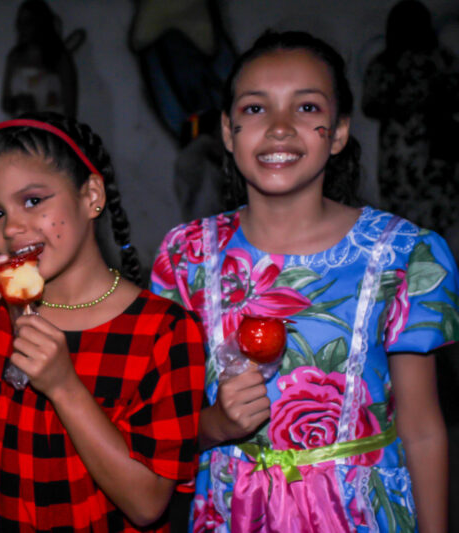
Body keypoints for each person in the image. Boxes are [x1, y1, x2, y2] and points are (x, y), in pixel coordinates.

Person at [151, 31, 459, 532]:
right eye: (254, 110)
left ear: (338, 132)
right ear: (227, 132)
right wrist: (216, 426)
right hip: (231, 517)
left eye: (307, 107)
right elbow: (163, 426)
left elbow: (422, 430)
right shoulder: (186, 257)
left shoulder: (402, 255)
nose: (278, 128)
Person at [0, 112, 205, 531]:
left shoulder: (164, 331)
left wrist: (64, 386)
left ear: (91, 196)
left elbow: (147, 504)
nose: (12, 227)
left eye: (33, 201)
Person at [362, 0, 459, 236]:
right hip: (412, 157)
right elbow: (370, 106)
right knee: (422, 222)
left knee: (415, 220)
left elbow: (370, 105)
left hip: (426, 152)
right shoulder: (439, 59)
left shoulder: (387, 63)